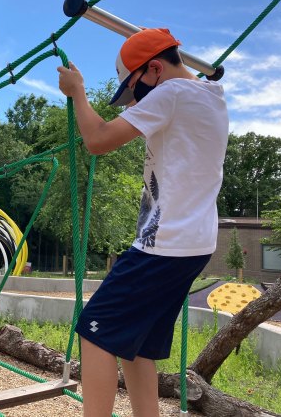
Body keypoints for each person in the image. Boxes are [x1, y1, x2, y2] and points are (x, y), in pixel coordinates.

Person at [57, 28, 228, 416]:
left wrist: (77, 92)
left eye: (134, 89)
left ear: (154, 69)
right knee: (138, 347)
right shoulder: (212, 97)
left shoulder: (171, 93)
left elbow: (98, 139)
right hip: (195, 243)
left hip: (165, 243)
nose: (133, 101)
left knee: (94, 331)